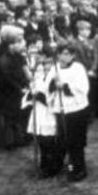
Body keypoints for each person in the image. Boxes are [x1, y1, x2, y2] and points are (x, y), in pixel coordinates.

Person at [48, 42, 90, 182]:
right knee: (62, 138)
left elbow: (83, 87)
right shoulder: (54, 68)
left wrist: (65, 86)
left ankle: (79, 168)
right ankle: (57, 165)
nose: (63, 57)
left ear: (73, 55)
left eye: (67, 54)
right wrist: (53, 85)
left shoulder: (78, 68)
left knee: (76, 140)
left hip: (76, 109)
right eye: (61, 53)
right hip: (61, 109)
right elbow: (48, 85)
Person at [22, 48, 60, 177]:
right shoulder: (38, 79)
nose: (46, 69)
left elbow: (53, 98)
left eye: (49, 67)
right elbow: (29, 96)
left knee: (49, 140)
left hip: (50, 113)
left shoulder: (55, 81)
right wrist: (32, 94)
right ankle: (44, 163)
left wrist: (41, 97)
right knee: (40, 140)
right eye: (44, 66)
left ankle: (52, 165)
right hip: (39, 113)